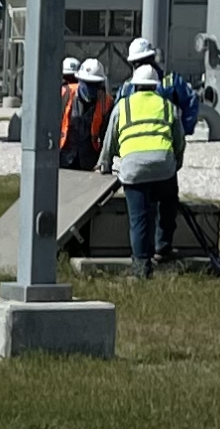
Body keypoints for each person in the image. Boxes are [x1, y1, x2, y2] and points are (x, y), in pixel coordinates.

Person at [99, 51, 185, 278]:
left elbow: (110, 139)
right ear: (156, 86)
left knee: (138, 219)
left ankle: (141, 267)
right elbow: (179, 140)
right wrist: (176, 163)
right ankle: (163, 248)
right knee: (167, 204)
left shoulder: (123, 106)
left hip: (133, 170)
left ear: (135, 85)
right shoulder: (167, 106)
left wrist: (105, 164)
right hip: (163, 167)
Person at [59, 58, 112, 170]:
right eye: (88, 83)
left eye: (95, 85)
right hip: (64, 157)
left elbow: (107, 136)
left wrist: (104, 162)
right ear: (79, 81)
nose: (91, 88)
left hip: (90, 161)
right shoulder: (65, 94)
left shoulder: (106, 102)